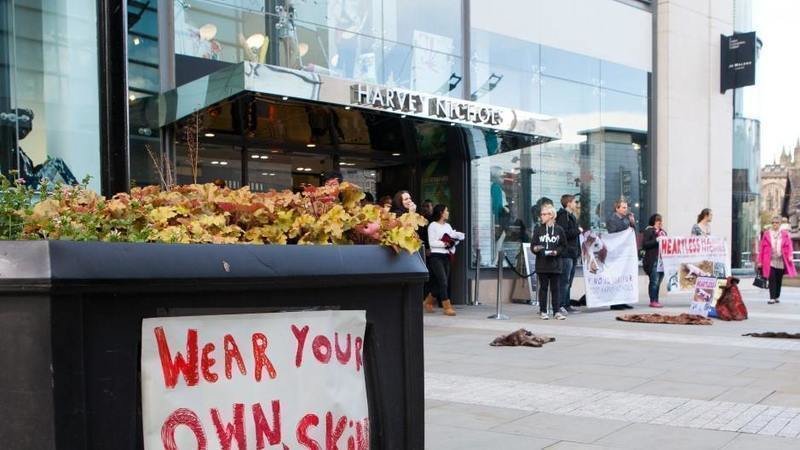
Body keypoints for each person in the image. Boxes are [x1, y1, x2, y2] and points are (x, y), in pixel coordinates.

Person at [425, 205, 465, 316]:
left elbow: (452, 238)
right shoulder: (433, 225)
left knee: (442, 282)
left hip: (447, 256)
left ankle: (428, 302)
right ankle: (447, 307)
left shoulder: (448, 226)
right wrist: (445, 244)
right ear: (441, 213)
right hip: (436, 257)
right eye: (446, 211)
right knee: (443, 281)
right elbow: (432, 242)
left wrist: (454, 241)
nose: (448, 212)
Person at [532, 204, 567, 320]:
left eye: (544, 214)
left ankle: (556, 311)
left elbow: (563, 245)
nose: (541, 216)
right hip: (542, 263)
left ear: (551, 215)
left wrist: (556, 252)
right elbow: (533, 245)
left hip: (555, 264)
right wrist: (536, 249)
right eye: (541, 214)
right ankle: (543, 311)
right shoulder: (538, 230)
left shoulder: (559, 230)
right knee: (543, 288)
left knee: (555, 288)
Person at [758, 215, 797, 304]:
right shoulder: (767, 234)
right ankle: (772, 298)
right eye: (773, 223)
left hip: (781, 260)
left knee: (778, 280)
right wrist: (760, 261)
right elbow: (762, 248)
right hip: (769, 260)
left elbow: (789, 245)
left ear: (780, 224)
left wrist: (790, 255)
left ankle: (776, 296)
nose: (775, 224)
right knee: (772, 278)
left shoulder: (784, 234)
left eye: (777, 223)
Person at [606, 199, 635, 310]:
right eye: (623, 207)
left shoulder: (627, 219)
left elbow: (632, 233)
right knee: (616, 277)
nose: (625, 209)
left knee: (624, 277)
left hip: (625, 252)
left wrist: (632, 222)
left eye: (626, 207)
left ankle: (623, 300)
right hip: (617, 252)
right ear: (617, 208)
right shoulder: (612, 219)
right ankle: (615, 303)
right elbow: (613, 234)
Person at [556, 194, 581, 315]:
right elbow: (563, 233)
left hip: (572, 252)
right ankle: (560, 305)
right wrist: (577, 231)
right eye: (574, 202)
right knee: (564, 280)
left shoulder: (571, 216)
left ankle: (566, 304)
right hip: (566, 253)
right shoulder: (563, 216)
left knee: (568, 281)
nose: (576, 204)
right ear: (568, 203)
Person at [642, 213, 667, 308]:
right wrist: (656, 240)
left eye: (660, 220)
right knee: (654, 281)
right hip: (653, 259)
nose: (659, 222)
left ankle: (656, 300)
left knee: (658, 281)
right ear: (653, 221)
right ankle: (653, 300)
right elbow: (645, 245)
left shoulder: (663, 232)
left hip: (662, 260)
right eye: (657, 220)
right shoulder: (649, 231)